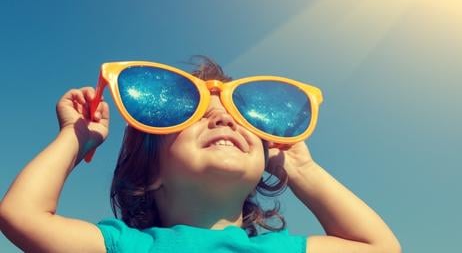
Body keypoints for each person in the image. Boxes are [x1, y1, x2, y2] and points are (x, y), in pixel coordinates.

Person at [0, 55, 401, 252]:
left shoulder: (282, 249)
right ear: (149, 174)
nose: (224, 121)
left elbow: (380, 248)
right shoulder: (129, 244)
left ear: (264, 162)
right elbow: (22, 216)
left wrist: (302, 168)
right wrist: (75, 135)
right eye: (197, 117)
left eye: (239, 120)